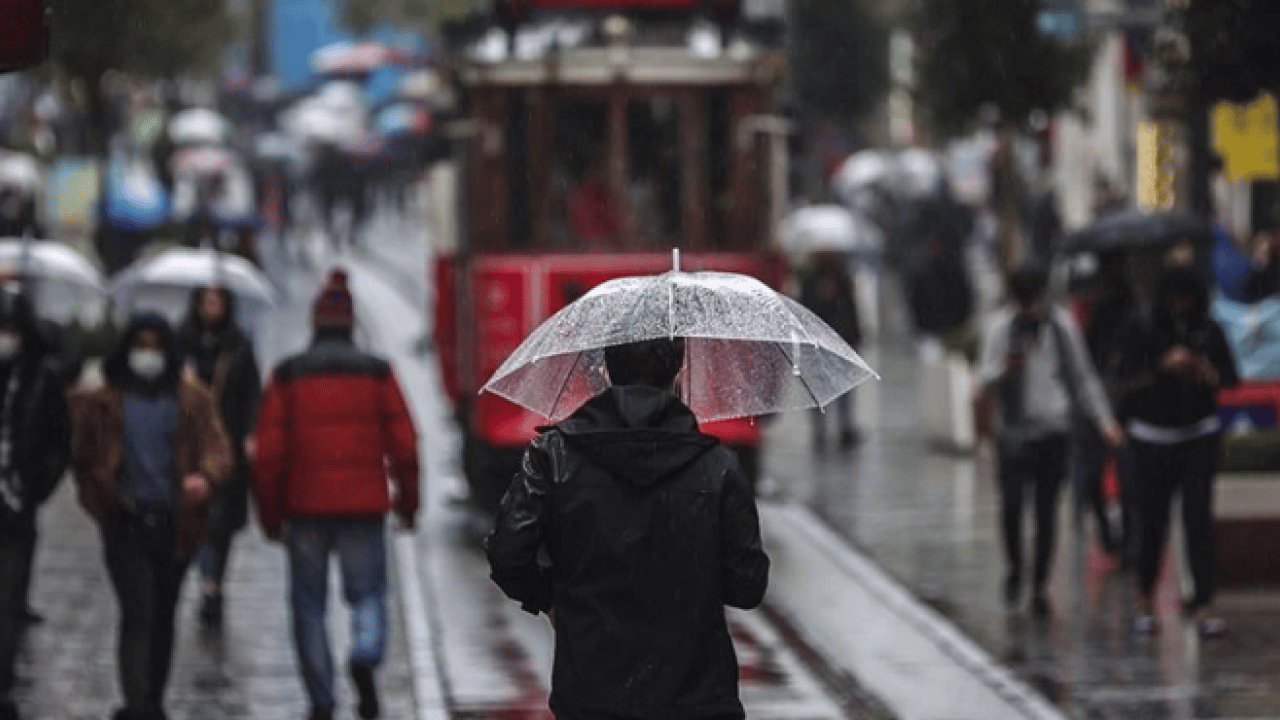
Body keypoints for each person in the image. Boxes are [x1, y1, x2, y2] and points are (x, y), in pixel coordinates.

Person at [486, 337, 770, 720]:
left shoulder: (553, 456)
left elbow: (508, 554)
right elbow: (747, 585)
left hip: (591, 693)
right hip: (697, 696)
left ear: (604, 372)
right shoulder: (717, 467)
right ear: (679, 373)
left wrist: (552, 598)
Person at [252, 269, 419, 720]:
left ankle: (322, 700)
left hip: (304, 509)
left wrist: (270, 517)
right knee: (368, 594)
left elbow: (267, 455)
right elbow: (406, 444)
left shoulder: (287, 375)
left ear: (314, 323)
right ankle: (365, 652)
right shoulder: (378, 372)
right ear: (350, 324)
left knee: (308, 606)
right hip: (364, 506)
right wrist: (408, 504)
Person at [69, 313, 232, 720]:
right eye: (140, 345)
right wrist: (101, 500)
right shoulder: (105, 401)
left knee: (162, 614)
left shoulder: (192, 399)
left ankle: (153, 700)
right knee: (137, 611)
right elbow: (83, 456)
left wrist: (206, 479)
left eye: (155, 346)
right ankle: (137, 705)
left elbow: (218, 448)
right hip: (125, 522)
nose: (147, 355)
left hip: (175, 524)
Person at [976, 265, 1125, 616]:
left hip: (1053, 432)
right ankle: (1015, 570)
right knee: (1012, 508)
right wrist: (1004, 369)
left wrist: (1104, 422)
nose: (1030, 306)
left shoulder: (1062, 328)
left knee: (1046, 512)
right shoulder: (1001, 328)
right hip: (1013, 432)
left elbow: (1083, 376)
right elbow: (983, 378)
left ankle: (1040, 583)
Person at [1117, 265, 1239, 637]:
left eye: (1186, 299)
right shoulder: (1142, 327)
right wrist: (1161, 368)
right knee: (1152, 521)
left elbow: (1231, 377)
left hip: (1198, 433)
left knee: (1198, 519)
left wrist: (1206, 372)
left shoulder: (1208, 329)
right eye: (1173, 299)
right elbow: (1124, 379)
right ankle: (1145, 600)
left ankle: (1202, 604)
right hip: (1152, 436)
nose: (1179, 306)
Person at [0, 289, 71, 720]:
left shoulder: (39, 381)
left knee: (8, 601)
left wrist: (36, 487)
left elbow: (58, 442)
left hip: (16, 506)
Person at [177, 286, 261, 628]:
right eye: (206, 300)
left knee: (221, 521)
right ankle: (207, 581)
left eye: (218, 301)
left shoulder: (238, 345)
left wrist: (250, 435)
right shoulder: (182, 343)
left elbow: (253, 393)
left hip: (227, 443)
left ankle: (213, 584)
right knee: (198, 515)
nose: (212, 307)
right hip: (188, 445)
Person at [800, 252, 862, 449]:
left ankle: (845, 427)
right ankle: (820, 430)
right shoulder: (810, 280)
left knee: (844, 389)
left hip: (841, 340)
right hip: (818, 342)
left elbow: (851, 309)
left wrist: (856, 336)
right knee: (818, 388)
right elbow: (805, 310)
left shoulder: (843, 277)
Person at [906, 235, 976, 361]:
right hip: (932, 334)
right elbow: (916, 303)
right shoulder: (922, 274)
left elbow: (965, 299)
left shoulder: (954, 273)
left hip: (954, 333)